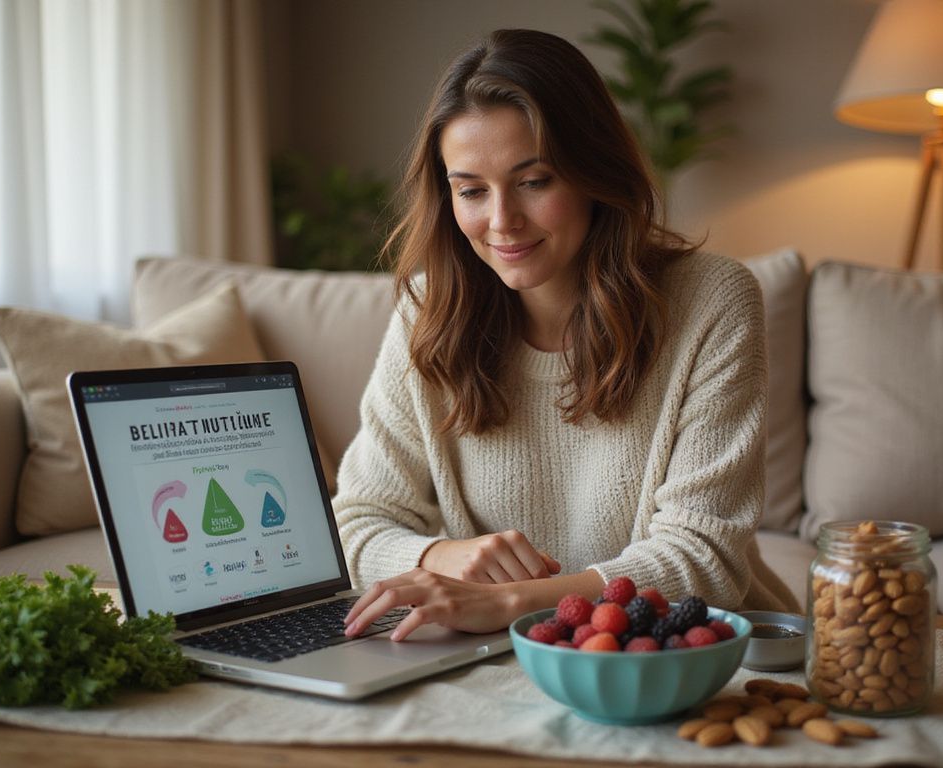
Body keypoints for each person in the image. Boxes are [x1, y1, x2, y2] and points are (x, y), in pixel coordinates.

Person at [337, 28, 798, 642]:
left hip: (686, 653)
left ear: (591, 172)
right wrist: (443, 560)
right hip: (487, 654)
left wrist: (510, 603)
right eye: (472, 190)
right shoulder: (427, 312)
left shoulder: (711, 301)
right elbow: (358, 523)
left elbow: (703, 561)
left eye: (535, 181)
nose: (502, 222)